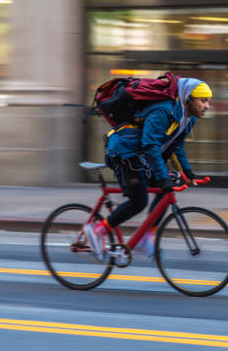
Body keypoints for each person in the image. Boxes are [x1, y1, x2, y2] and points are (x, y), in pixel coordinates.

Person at [84, 77, 212, 261]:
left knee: (163, 190)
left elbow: (177, 146)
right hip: (123, 152)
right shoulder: (164, 111)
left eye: (208, 102)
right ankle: (96, 231)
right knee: (139, 200)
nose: (207, 106)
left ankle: (145, 238)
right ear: (189, 99)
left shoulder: (188, 118)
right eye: (203, 101)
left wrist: (187, 172)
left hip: (140, 156)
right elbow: (150, 146)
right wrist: (162, 176)